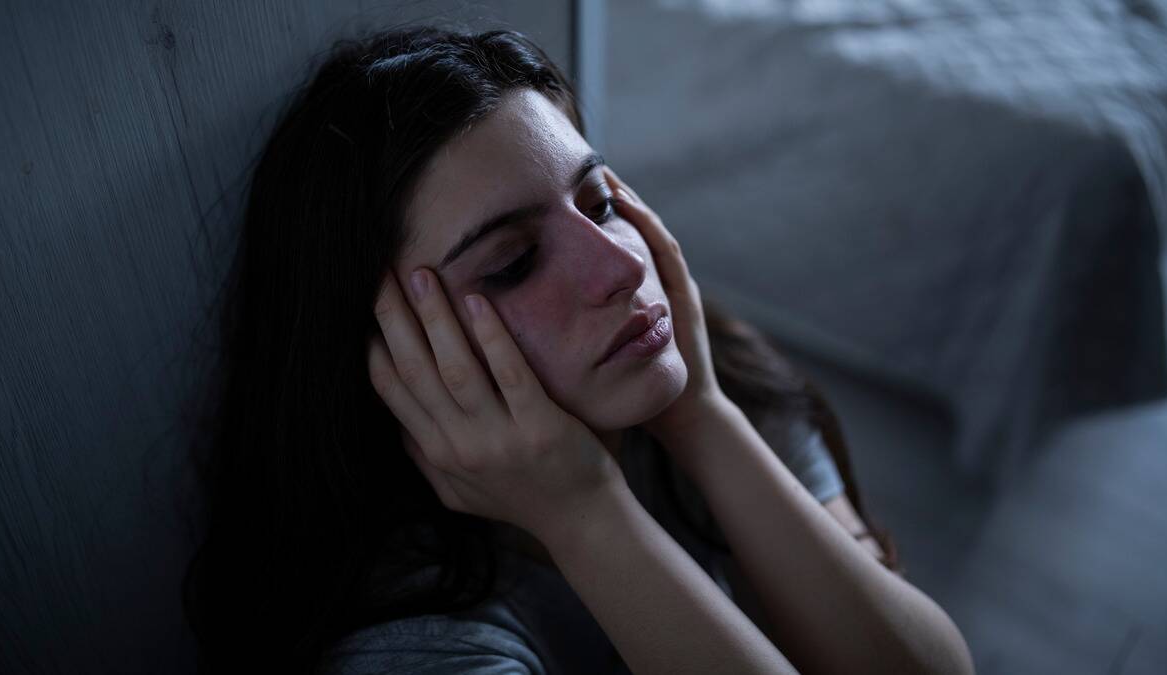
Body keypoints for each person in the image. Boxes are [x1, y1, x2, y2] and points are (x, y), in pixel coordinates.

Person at [182, 24, 974, 675]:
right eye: (513, 262)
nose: (622, 266)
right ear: (399, 360)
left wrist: (701, 413)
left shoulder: (699, 374)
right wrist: (583, 514)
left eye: (598, 203)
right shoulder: (418, 643)